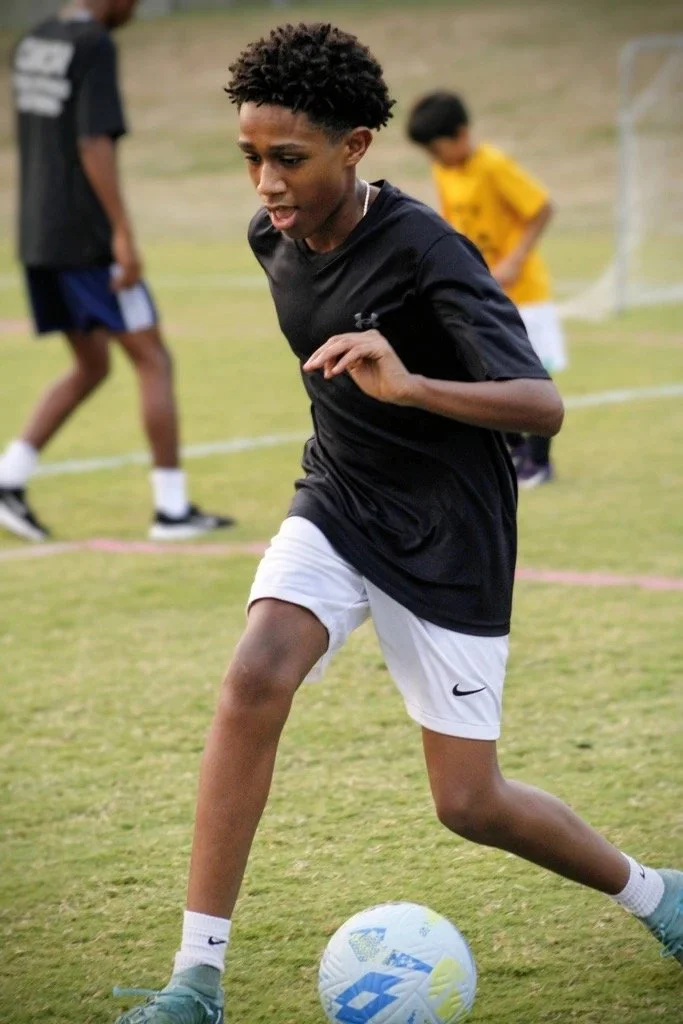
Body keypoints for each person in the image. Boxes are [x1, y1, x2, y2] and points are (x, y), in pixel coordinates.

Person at [113, 23, 682, 1024]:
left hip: (448, 530)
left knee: (468, 803)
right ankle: (195, 982)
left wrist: (413, 384)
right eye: (249, 156)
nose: (265, 183)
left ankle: (655, 892)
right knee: (251, 676)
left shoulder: (427, 250)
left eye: (287, 158)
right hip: (336, 497)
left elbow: (539, 405)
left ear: (355, 147)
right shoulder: (269, 238)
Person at [0, 0, 234, 542]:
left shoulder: (34, 41)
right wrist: (122, 233)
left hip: (38, 233)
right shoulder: (94, 45)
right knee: (152, 357)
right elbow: (92, 140)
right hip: (86, 239)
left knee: (92, 365)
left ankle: (9, 477)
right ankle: (172, 511)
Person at [407, 90, 568, 488]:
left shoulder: (493, 165)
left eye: (437, 148)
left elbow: (541, 207)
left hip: (523, 290)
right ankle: (512, 453)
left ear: (461, 134)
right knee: (486, 369)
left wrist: (514, 260)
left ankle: (540, 463)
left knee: (533, 371)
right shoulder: (445, 171)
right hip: (480, 289)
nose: (434, 157)